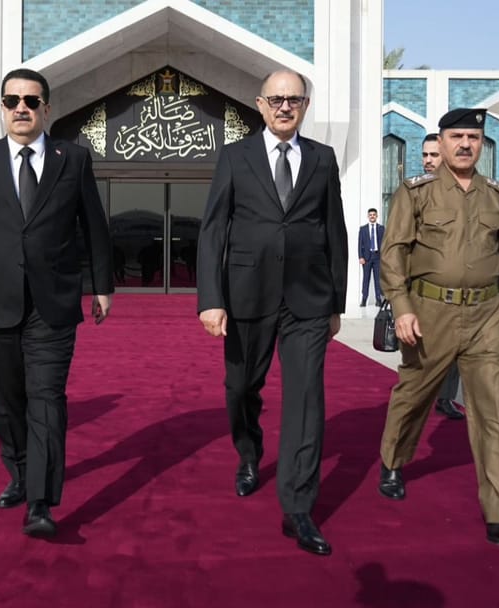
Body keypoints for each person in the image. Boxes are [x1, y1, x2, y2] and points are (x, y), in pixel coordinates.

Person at [0, 68, 114, 538]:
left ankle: (40, 502)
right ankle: (20, 470)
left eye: (31, 101)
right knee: (6, 401)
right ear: (3, 108)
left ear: (46, 108)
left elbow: (93, 224)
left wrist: (102, 285)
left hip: (54, 302)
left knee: (46, 399)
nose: (21, 108)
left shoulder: (73, 159)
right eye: (12, 101)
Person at [376, 108, 499, 554]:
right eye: (457, 137)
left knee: (496, 414)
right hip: (430, 313)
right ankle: (393, 460)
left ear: (482, 143)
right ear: (442, 142)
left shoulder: (498, 198)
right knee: (414, 394)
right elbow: (393, 253)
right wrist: (402, 308)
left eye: (473, 137)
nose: (466, 144)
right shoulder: (416, 193)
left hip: (487, 317)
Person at [197, 69, 348, 556]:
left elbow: (335, 230)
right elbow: (213, 229)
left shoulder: (322, 158)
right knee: (241, 387)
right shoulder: (234, 156)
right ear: (260, 104)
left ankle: (298, 506)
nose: (285, 107)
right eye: (277, 99)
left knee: (306, 399)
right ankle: (248, 452)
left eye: (294, 99)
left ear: (305, 106)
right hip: (246, 295)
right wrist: (211, 298)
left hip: (308, 299)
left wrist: (337, 303)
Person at [423, 134, 466, 421]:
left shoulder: (465, 194)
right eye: (425, 155)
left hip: (455, 289)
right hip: (423, 290)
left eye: (434, 155)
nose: (428, 161)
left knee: (455, 351)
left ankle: (445, 397)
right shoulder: (413, 192)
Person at [358, 208, 384, 307]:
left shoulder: (381, 228)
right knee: (366, 279)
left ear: (376, 216)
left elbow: (384, 243)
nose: (372, 216)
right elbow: (360, 244)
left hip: (378, 257)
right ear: (368, 216)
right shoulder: (363, 229)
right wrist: (360, 257)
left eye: (374, 215)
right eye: (370, 215)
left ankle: (378, 299)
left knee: (378, 279)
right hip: (367, 257)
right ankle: (364, 299)